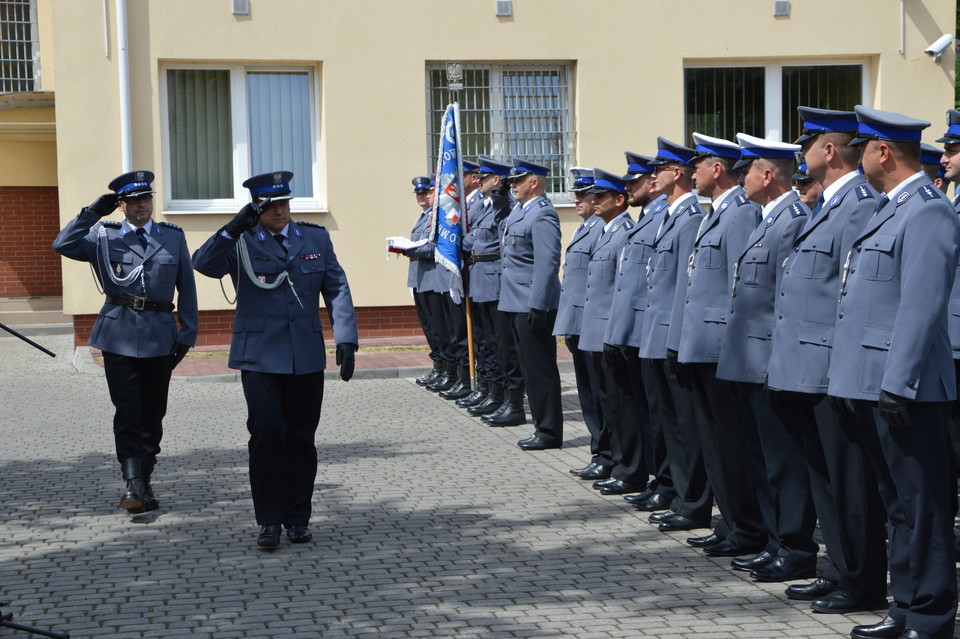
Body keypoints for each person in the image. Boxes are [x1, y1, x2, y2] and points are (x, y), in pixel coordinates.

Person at [831, 106, 959, 639]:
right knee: (899, 506)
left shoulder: (926, 211)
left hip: (907, 388)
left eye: (861, 147)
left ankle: (931, 618)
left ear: (884, 151)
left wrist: (897, 383)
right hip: (874, 382)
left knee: (923, 507)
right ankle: (904, 607)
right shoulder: (892, 208)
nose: (855, 157)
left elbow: (921, 307)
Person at [192, 171, 358, 549]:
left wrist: (346, 339)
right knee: (266, 435)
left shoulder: (314, 237)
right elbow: (202, 264)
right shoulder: (242, 241)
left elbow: (337, 286)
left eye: (285, 204)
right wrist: (233, 227)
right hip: (260, 357)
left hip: (305, 356)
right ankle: (269, 519)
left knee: (301, 439)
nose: (281, 212)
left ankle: (298, 518)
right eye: (271, 207)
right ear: (257, 209)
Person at [766, 107, 886, 613]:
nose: (800, 153)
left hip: (830, 367)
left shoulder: (856, 203)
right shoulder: (827, 206)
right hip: (807, 366)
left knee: (849, 482)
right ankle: (837, 569)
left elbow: (850, 295)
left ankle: (859, 582)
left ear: (829, 150)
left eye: (806, 143)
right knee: (824, 478)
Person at [52, 170, 198, 514]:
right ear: (122, 205)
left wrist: (188, 333)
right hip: (117, 335)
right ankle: (132, 483)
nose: (142, 205)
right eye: (134, 200)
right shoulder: (104, 235)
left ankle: (145, 482)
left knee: (153, 413)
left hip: (161, 335)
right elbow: (62, 244)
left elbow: (187, 287)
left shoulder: (172, 237)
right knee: (128, 410)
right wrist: (93, 212)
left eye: (146, 198)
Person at [716, 133, 812, 582]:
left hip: (771, 360)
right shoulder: (765, 219)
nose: (740, 179)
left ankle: (793, 547)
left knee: (782, 461)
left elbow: (787, 300)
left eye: (746, 170)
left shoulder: (791, 219)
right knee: (760, 457)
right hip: (750, 359)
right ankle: (774, 541)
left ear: (767, 174)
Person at [678, 133, 765, 559]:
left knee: (732, 443)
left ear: (717, 169)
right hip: (701, 344)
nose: (691, 171)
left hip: (721, 348)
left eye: (699, 163)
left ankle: (747, 527)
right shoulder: (716, 213)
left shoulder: (740, 215)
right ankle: (729, 521)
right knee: (713, 441)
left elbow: (739, 287)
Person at [638, 137, 710, 533]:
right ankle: (679, 495)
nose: (653, 176)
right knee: (669, 423)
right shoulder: (668, 215)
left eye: (659, 169)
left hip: (674, 336)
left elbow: (687, 286)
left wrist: (679, 338)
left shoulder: (689, 219)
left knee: (685, 427)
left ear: (676, 173)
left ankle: (694, 501)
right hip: (657, 332)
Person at [603, 153, 673, 511]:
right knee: (643, 410)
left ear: (654, 182)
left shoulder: (664, 216)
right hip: (635, 330)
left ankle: (664, 480)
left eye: (635, 181)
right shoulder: (645, 219)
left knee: (658, 414)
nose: (628, 187)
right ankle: (654, 476)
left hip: (651, 330)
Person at [575, 169, 637, 494]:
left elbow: (621, 288)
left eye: (600, 196)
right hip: (595, 331)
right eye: (593, 196)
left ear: (620, 200)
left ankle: (621, 464)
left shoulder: (624, 231)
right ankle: (610, 458)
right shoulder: (603, 230)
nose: (593, 201)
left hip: (609, 332)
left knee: (618, 403)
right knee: (603, 399)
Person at [498, 159, 563, 450]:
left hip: (532, 304)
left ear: (533, 182)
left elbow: (547, 263)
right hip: (514, 301)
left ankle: (548, 431)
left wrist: (538, 304)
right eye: (511, 181)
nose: (512, 185)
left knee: (540, 370)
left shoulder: (543, 214)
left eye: (517, 181)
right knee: (527, 368)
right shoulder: (520, 212)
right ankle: (540, 426)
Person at [553, 168, 606, 466]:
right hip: (577, 322)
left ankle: (603, 451)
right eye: (575, 194)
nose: (576, 199)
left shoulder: (600, 227)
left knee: (598, 393)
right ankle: (598, 449)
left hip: (590, 324)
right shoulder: (584, 227)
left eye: (583, 194)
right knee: (586, 391)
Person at [459, 157, 513, 415]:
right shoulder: (483, 207)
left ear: (496, 181)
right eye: (478, 176)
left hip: (494, 279)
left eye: (485, 177)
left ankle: (500, 392)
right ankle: (488, 388)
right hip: (480, 279)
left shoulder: (504, 207)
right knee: (483, 340)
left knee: (497, 341)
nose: (478, 181)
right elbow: (471, 240)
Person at [405, 177, 446, 388]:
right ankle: (438, 367)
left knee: (438, 328)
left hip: (432, 279)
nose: (421, 196)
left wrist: (407, 249)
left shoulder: (437, 217)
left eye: (426, 192)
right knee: (429, 328)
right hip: (420, 279)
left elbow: (435, 248)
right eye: (418, 193)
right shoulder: (422, 217)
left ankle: (445, 369)